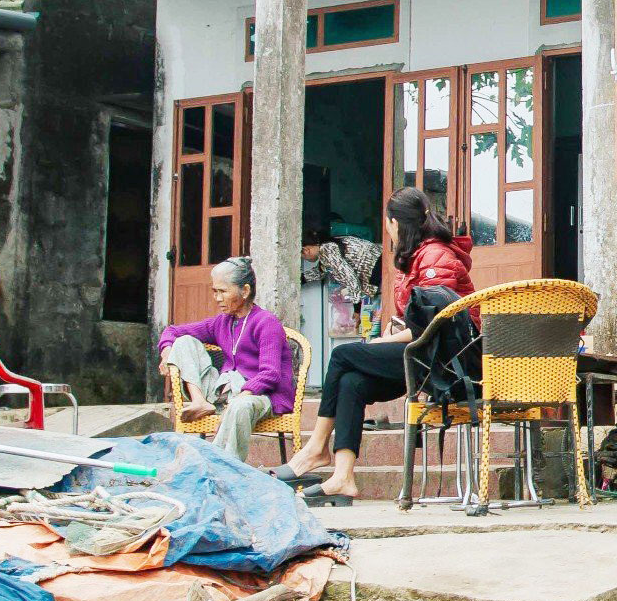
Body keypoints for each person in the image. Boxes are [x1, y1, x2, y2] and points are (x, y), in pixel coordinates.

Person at [277, 188, 472, 503]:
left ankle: (315, 448)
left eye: (387, 223)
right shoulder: (415, 257)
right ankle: (343, 478)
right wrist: (392, 332)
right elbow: (415, 318)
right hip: (422, 355)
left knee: (342, 355)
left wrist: (386, 339)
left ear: (395, 223)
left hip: (442, 361)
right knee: (353, 382)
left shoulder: (436, 255)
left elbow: (437, 324)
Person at [157, 256, 296, 462]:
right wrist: (166, 349)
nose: (217, 298)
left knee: (240, 407)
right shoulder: (222, 322)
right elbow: (173, 330)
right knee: (184, 342)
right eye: (215, 291)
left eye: (223, 291)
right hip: (224, 391)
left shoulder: (266, 322)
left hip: (262, 396)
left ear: (245, 291)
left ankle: (223, 466)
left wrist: (241, 396)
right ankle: (199, 401)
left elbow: (271, 374)